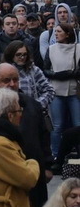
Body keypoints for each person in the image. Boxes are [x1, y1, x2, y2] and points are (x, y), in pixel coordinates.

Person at [42, 23, 80, 159]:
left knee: (78, 125)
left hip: (74, 92)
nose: (56, 34)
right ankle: (56, 155)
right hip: (56, 91)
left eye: (59, 31)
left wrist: (67, 74)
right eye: (55, 32)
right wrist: (58, 75)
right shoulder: (51, 49)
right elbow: (45, 69)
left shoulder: (78, 48)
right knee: (57, 126)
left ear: (68, 33)